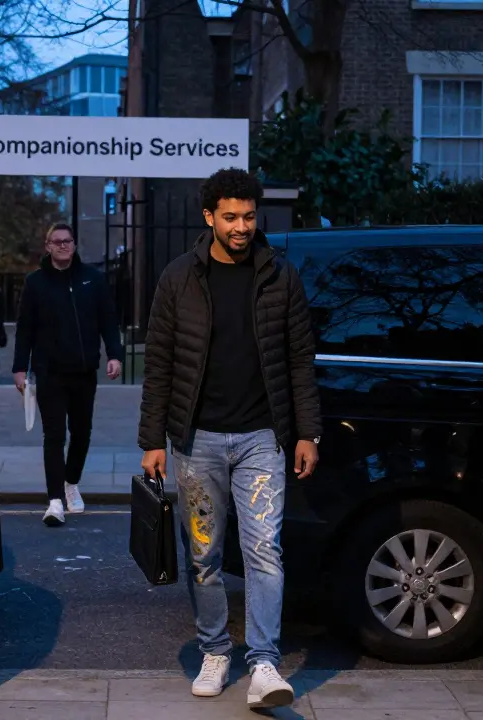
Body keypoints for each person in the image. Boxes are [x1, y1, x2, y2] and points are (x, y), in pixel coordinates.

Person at [137, 168, 322, 710]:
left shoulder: (279, 276)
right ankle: (215, 649)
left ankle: (264, 662)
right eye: (231, 217)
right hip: (196, 442)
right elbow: (161, 365)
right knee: (204, 554)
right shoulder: (178, 278)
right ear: (209, 217)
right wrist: (152, 439)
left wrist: (307, 431)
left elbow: (299, 361)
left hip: (263, 437)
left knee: (265, 549)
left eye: (248, 216)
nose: (242, 227)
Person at [12, 223, 123, 526]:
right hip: (49, 372)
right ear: (47, 246)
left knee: (82, 433)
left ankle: (71, 482)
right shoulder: (35, 284)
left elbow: (108, 321)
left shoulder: (93, 280)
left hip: (84, 371)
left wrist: (115, 354)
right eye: (56, 242)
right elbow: (25, 329)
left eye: (67, 241)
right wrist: (20, 368)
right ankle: (55, 501)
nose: (62, 246)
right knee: (54, 436)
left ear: (74, 245)